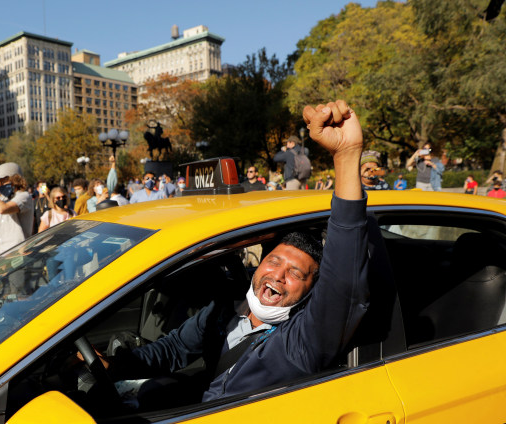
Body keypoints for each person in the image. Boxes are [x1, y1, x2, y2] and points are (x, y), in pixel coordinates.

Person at [105, 99, 369, 402]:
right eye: (273, 261)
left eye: (296, 273)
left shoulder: (300, 343)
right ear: (258, 265)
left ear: (312, 290)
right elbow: (175, 348)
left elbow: (344, 282)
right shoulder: (225, 309)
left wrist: (347, 157)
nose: (278, 275)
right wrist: (114, 366)